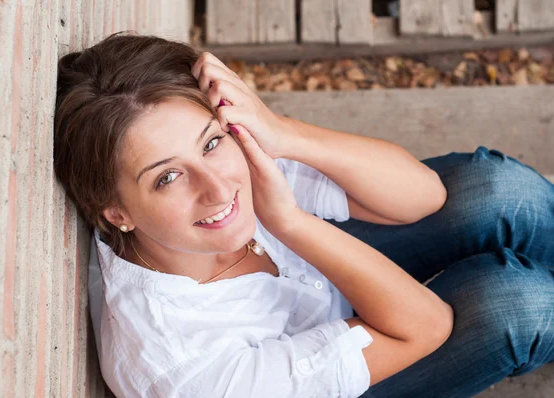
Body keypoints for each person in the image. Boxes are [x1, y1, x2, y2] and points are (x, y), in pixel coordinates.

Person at [53, 32, 554, 398]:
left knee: (501, 194)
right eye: (167, 177)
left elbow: (424, 197)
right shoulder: (184, 366)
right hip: (334, 384)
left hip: (333, 296)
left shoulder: (233, 160)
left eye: (210, 142)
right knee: (515, 307)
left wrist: (280, 130)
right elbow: (426, 326)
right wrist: (292, 222)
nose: (216, 187)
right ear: (115, 212)